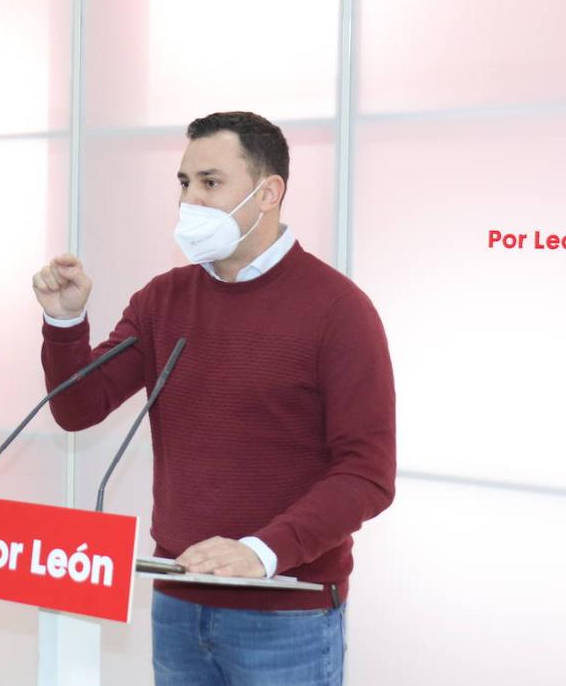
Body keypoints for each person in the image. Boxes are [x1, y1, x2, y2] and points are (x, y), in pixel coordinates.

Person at [32, 111, 394, 685]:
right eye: (184, 183)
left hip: (285, 612)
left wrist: (263, 551)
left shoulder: (338, 309)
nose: (190, 201)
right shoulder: (163, 300)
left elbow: (367, 474)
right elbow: (78, 409)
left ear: (268, 192)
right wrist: (66, 321)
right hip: (177, 599)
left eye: (210, 182)